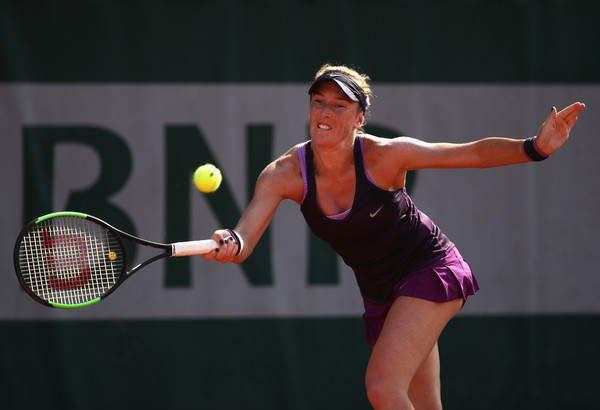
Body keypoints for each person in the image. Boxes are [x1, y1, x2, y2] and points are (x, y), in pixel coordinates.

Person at [202, 63, 585, 409]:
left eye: (340, 106)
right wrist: (231, 243)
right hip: (381, 291)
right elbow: (244, 238)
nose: (325, 112)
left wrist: (535, 148)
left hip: (430, 269)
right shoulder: (283, 174)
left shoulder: (385, 156)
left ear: (359, 119)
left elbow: (471, 154)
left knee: (382, 388)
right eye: (319, 102)